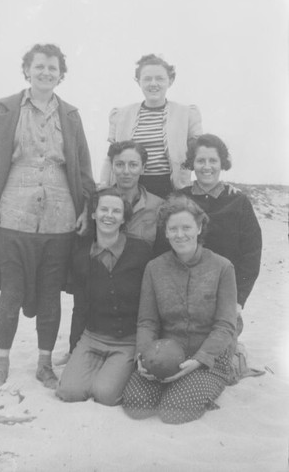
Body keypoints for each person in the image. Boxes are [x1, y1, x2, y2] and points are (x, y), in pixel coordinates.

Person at [0, 43, 94, 388]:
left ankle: (43, 364)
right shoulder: (6, 109)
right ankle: (1, 360)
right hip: (13, 215)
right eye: (39, 67)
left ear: (61, 74)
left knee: (50, 293)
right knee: (11, 292)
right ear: (27, 70)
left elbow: (82, 165)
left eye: (53, 68)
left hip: (60, 218)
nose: (46, 73)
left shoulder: (70, 115)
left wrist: (85, 208)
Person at [122, 195, 237, 424]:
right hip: (167, 355)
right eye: (173, 228)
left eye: (186, 227)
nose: (179, 234)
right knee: (136, 405)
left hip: (208, 357)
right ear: (165, 232)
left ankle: (223, 372)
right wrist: (143, 357)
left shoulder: (223, 267)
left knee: (173, 412)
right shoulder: (154, 268)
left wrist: (199, 360)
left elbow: (225, 326)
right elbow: (147, 322)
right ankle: (175, 385)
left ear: (199, 227)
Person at [56, 188, 152, 406]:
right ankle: (93, 366)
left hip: (128, 340)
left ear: (124, 218)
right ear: (93, 214)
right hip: (92, 336)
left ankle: (112, 372)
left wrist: (143, 347)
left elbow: (150, 306)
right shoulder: (81, 255)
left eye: (116, 211)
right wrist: (73, 349)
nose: (109, 215)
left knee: (105, 395)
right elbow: (79, 307)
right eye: (104, 209)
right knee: (69, 392)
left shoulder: (141, 250)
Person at [179, 134, 262, 333]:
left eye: (213, 160)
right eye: (200, 160)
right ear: (192, 163)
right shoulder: (180, 198)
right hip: (183, 300)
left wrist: (238, 301)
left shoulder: (238, 202)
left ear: (222, 163)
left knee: (217, 360)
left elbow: (251, 254)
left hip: (224, 299)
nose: (207, 166)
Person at [100, 54, 202, 198]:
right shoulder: (121, 115)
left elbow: (199, 155)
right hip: (129, 188)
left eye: (160, 78)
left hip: (172, 189)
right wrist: (103, 187)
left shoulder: (187, 114)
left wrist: (212, 184)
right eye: (147, 79)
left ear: (170, 81)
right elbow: (109, 157)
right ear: (138, 82)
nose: (153, 83)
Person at [107, 140, 163, 247]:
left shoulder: (158, 206)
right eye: (119, 164)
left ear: (142, 168)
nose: (126, 171)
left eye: (133, 165)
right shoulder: (100, 202)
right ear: (112, 167)